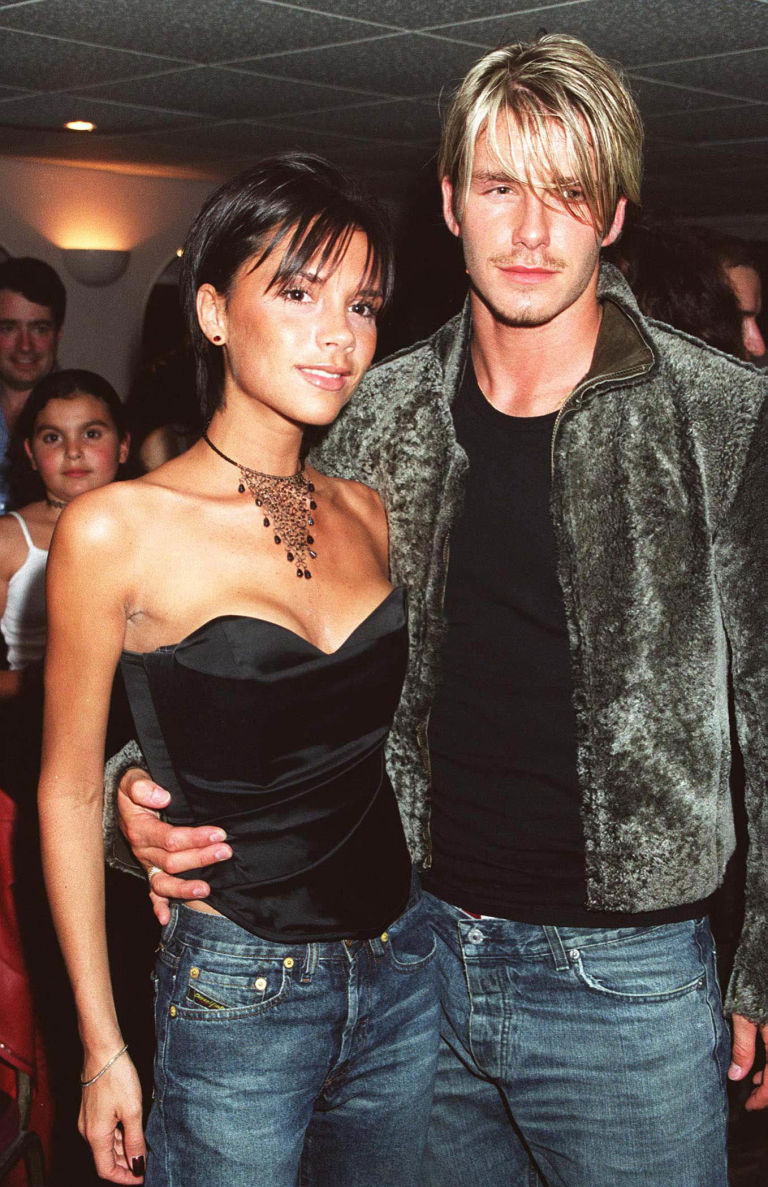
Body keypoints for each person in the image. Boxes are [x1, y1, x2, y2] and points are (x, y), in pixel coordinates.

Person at [109, 34, 768, 1186]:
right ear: (453, 203)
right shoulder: (372, 408)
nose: (532, 230)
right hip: (406, 956)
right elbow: (255, 623)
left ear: (614, 215)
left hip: (627, 984)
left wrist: (760, 960)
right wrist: (137, 784)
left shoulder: (723, 414)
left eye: (569, 192)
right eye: (501, 187)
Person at [38, 154, 439, 1187]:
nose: (338, 334)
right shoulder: (116, 528)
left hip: (404, 969)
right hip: (240, 989)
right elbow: (68, 788)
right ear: (214, 312)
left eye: (361, 304)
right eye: (298, 293)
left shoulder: (369, 511)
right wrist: (102, 1045)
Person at [0, 369, 129, 700]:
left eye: (91, 434)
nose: (73, 451)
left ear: (123, 446)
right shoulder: (9, 539)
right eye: (52, 438)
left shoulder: (150, 528)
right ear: (30, 453)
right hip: (37, 712)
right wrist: (43, 683)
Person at [0, 258, 67, 514]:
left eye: (39, 329)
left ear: (58, 333)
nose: (25, 346)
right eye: (8, 328)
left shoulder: (86, 415)